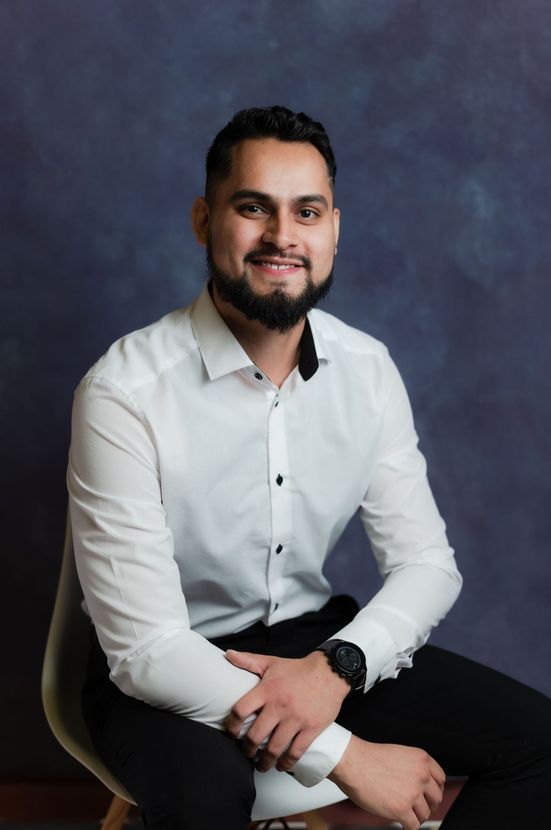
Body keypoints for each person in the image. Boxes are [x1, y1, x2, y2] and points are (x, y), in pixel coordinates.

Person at [68, 106, 550, 830]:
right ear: (205, 221)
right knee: (203, 799)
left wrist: (337, 669)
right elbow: (145, 650)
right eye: (253, 208)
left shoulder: (367, 369)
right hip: (167, 671)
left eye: (307, 212)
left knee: (540, 746)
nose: (281, 237)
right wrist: (346, 755)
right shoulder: (123, 391)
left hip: (310, 646)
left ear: (333, 230)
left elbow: (426, 564)